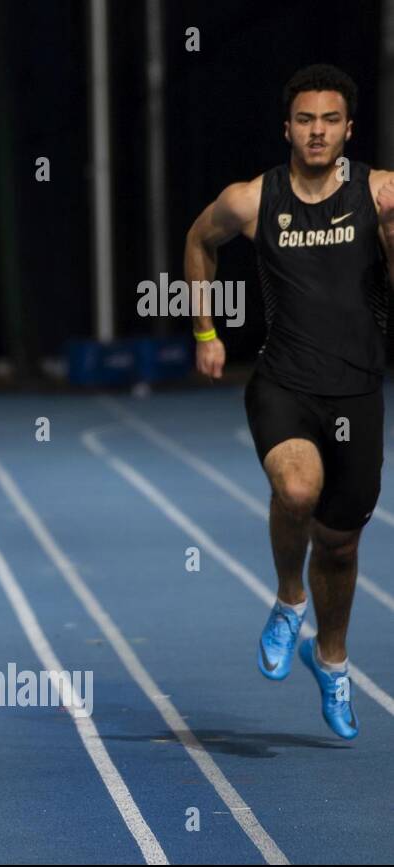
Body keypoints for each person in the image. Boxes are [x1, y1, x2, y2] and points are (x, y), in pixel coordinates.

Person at [185, 64, 394, 739]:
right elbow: (196, 242)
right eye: (306, 119)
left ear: (349, 129)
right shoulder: (252, 200)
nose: (317, 131)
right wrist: (206, 330)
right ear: (287, 127)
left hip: (357, 390)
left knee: (339, 544)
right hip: (284, 384)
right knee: (297, 491)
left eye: (330, 119)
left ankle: (330, 659)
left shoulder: (383, 194)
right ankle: (286, 598)